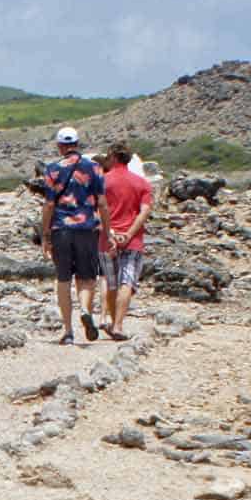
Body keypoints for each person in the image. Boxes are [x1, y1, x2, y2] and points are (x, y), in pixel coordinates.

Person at [39, 126, 110, 345]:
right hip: (87, 228)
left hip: (61, 228)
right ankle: (85, 310)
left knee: (63, 278)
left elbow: (49, 204)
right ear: (77, 143)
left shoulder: (52, 169)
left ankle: (68, 331)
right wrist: (107, 230)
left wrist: (45, 234)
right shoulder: (95, 168)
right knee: (87, 278)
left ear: (60, 146)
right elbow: (102, 203)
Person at [97, 139, 153, 341]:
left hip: (106, 239)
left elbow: (96, 209)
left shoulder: (102, 181)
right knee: (126, 282)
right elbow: (144, 212)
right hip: (133, 240)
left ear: (112, 157)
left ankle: (112, 323)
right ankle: (118, 325)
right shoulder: (142, 184)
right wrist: (129, 234)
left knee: (111, 283)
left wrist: (110, 231)